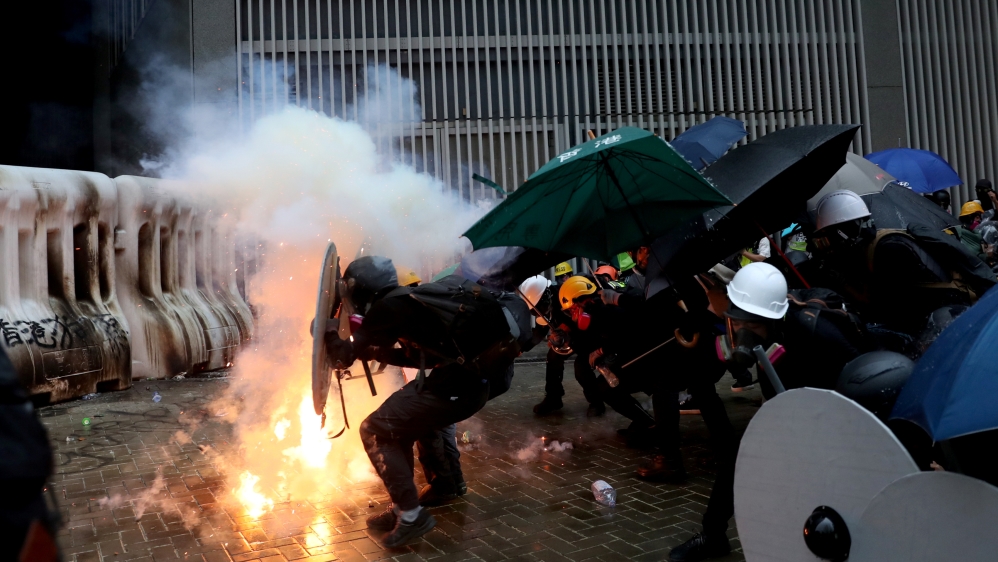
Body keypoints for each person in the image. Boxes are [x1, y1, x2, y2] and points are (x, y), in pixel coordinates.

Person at [325, 256, 528, 547]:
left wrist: (328, 330)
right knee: (398, 430)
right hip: (469, 387)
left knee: (374, 429)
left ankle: (411, 516)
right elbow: (422, 358)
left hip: (456, 389)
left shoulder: (387, 306)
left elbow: (341, 357)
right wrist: (374, 353)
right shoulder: (407, 302)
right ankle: (403, 509)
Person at [669, 262, 866, 561]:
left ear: (774, 320)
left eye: (754, 325)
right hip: (786, 410)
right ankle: (713, 535)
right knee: (740, 458)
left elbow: (863, 377)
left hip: (829, 414)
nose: (742, 333)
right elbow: (700, 372)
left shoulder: (815, 331)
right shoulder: (743, 329)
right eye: (737, 322)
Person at [807, 190, 994, 337]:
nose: (829, 248)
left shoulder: (889, 249)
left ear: (842, 233)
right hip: (930, 314)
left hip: (949, 316)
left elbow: (885, 305)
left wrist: (843, 284)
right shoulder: (875, 245)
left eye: (828, 239)